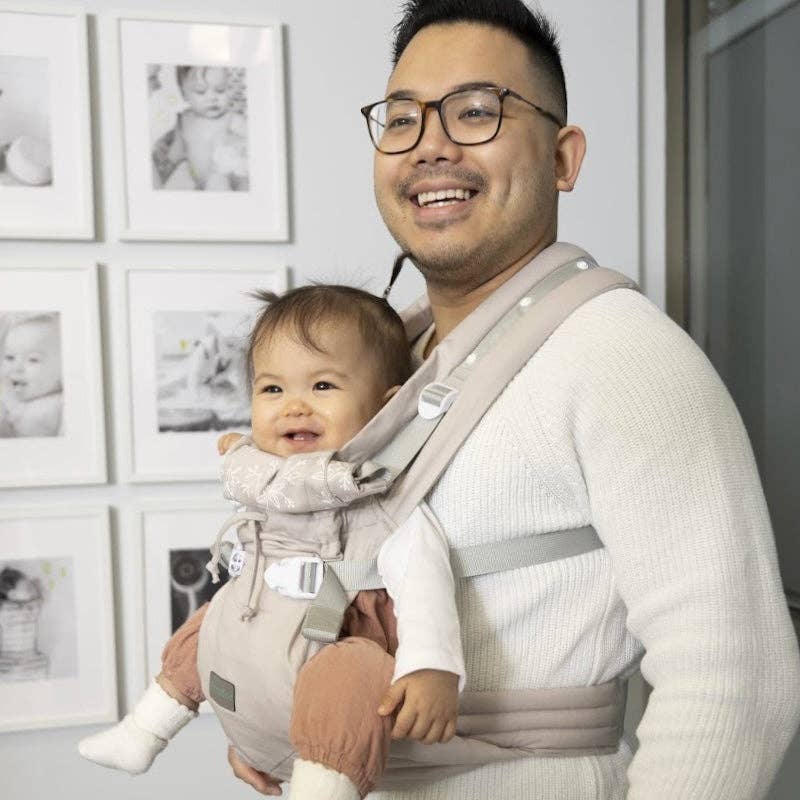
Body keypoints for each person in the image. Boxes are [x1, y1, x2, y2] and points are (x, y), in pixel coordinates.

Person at [225, 1, 800, 798]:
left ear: (564, 158)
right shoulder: (395, 360)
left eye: (475, 111)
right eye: (402, 119)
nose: (430, 145)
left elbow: (735, 683)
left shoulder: (622, 357)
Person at [79, 285, 465, 798]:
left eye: (323, 386)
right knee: (207, 624)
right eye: (272, 390)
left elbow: (426, 581)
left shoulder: (380, 500)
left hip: (342, 629)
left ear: (385, 406)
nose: (294, 407)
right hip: (264, 618)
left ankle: (324, 785)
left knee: (354, 678)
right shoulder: (270, 480)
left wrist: (433, 666)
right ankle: (145, 729)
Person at [151, 65, 249, 192]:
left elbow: (250, 149)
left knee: (220, 182)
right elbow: (173, 155)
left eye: (220, 90)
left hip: (230, 183)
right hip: (199, 184)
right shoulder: (184, 121)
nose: (212, 98)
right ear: (183, 93)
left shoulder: (232, 120)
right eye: (201, 91)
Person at [0, 313, 63, 438]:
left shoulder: (56, 405)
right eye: (9, 357)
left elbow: (25, 430)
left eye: (33, 359)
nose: (17, 368)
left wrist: (11, 404)